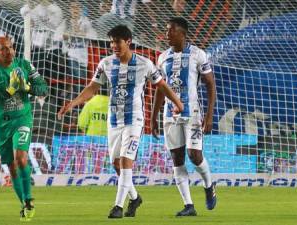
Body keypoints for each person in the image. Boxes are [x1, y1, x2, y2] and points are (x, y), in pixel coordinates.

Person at [58, 25, 183, 219]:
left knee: (126, 161)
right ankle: (134, 198)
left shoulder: (145, 64)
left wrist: (178, 103)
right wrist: (73, 103)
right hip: (114, 121)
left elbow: (162, 86)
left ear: (128, 42)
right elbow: (92, 88)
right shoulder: (106, 63)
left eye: (117, 42)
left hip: (134, 120)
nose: (114, 46)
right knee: (116, 164)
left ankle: (117, 206)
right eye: (111, 42)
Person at [151, 17, 217, 217]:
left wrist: (210, 115)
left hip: (193, 115)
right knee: (176, 159)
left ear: (182, 33)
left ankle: (208, 184)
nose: (167, 34)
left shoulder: (198, 54)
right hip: (170, 116)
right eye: (167, 30)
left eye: (171, 30)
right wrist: (153, 116)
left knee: (194, 155)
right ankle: (189, 205)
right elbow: (160, 89)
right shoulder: (162, 57)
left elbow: (210, 84)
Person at [0, 36, 48, 221]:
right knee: (12, 166)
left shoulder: (24, 66)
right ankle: (24, 204)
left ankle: (29, 199)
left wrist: (27, 87)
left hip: (22, 119)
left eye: (10, 48)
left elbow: (43, 88)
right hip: (3, 124)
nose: (8, 51)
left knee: (21, 157)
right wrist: (9, 91)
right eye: (3, 49)